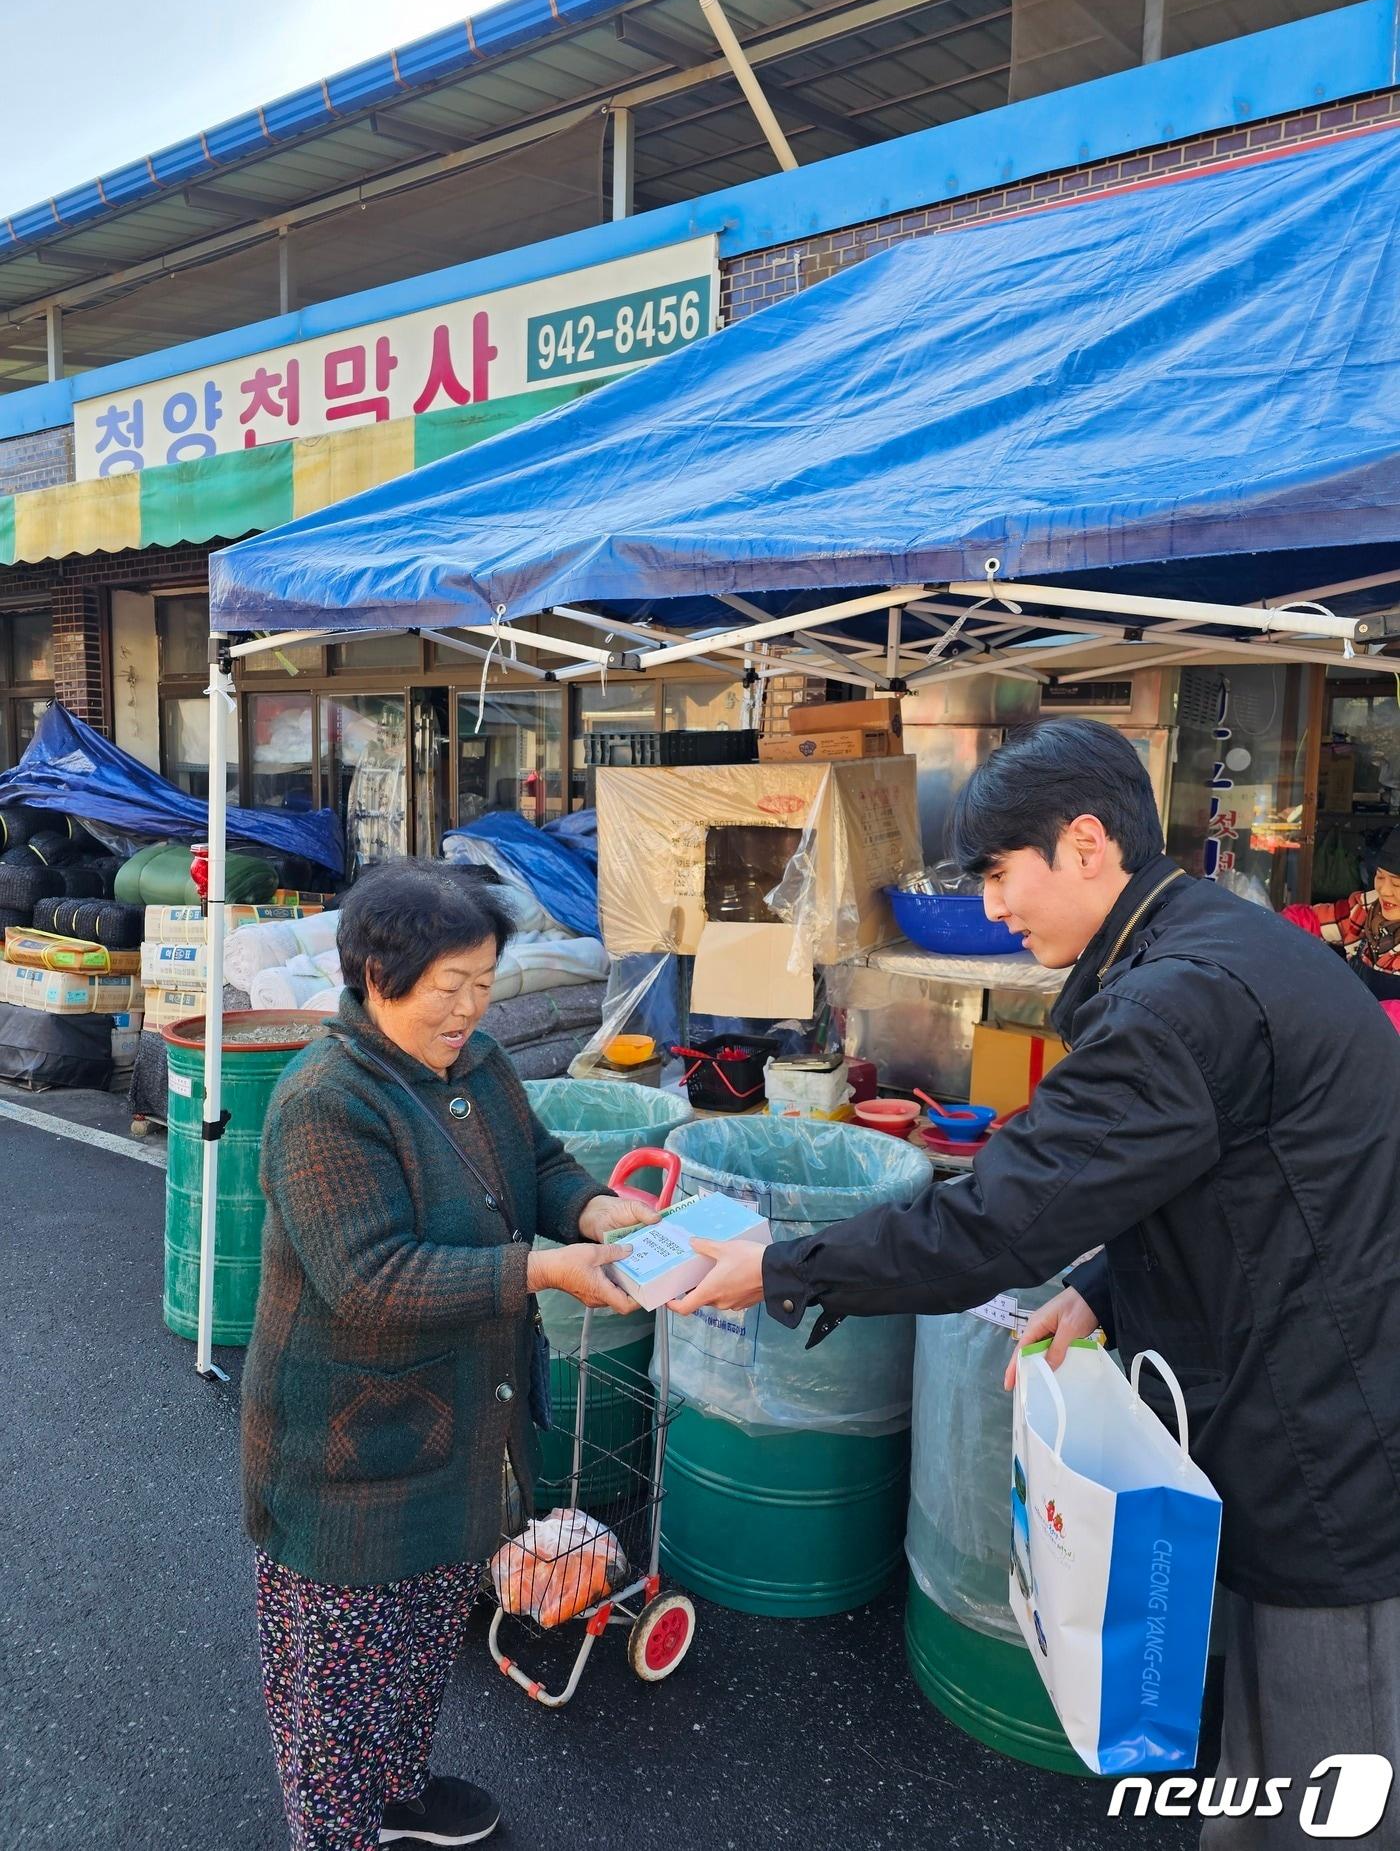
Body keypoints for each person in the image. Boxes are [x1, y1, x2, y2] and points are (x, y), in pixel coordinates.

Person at [678, 718, 1400, 1844]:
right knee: (1266, 1758)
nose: (992, 906)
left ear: (1083, 843)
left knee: (1328, 1779)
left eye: (1000, 874)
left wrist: (781, 1264)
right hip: (1302, 1389)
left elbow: (998, 1218)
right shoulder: (1210, 943)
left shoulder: (1175, 999)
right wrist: (1106, 1286)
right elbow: (1239, 1178)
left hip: (1327, 1439)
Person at [243, 859, 656, 1851]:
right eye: (450, 986)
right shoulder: (325, 1101)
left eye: (482, 981)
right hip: (344, 1454)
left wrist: (594, 1207)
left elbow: (540, 1159)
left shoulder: (473, 1064)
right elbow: (370, 1281)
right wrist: (548, 1273)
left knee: (420, 1638)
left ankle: (399, 1790)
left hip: (462, 1425)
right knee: (333, 1685)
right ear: (378, 978)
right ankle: (335, 1832)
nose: (471, 1006)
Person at [1281, 826, 1400, 1002]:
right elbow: (1310, 920)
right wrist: (1274, 930)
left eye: (1397, 884)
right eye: (1380, 877)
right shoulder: (1363, 910)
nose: (1384, 890)